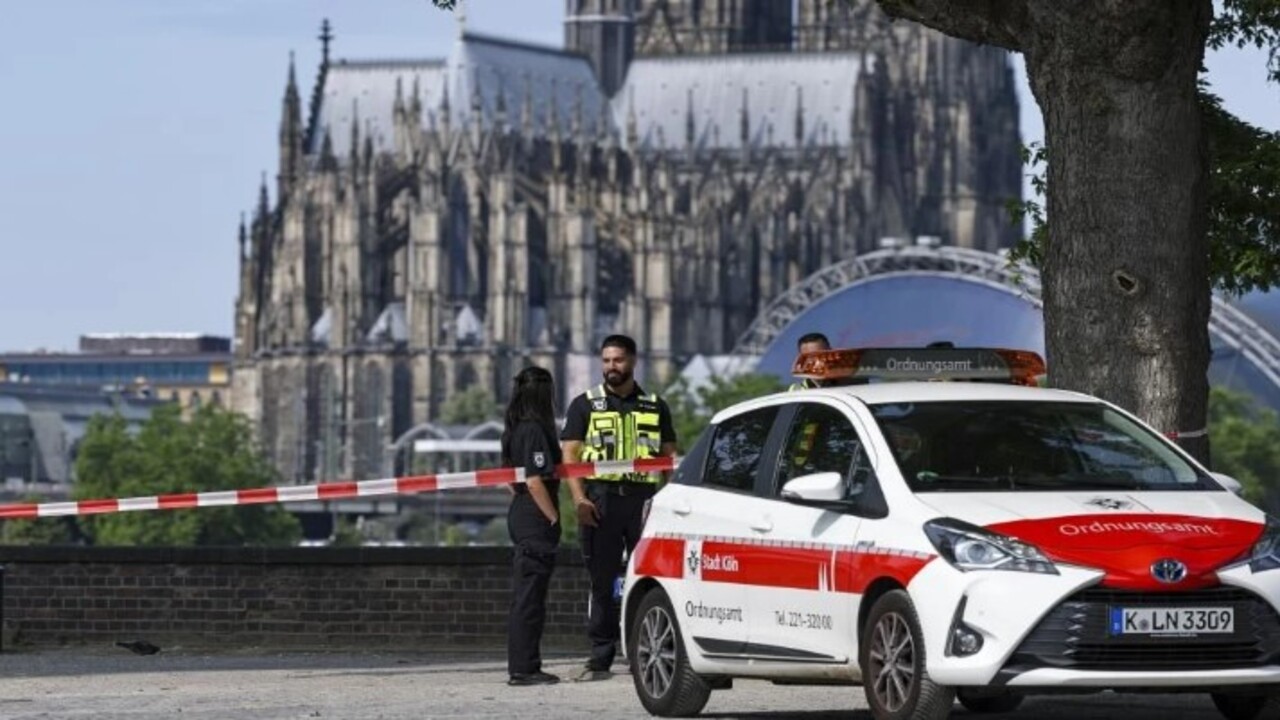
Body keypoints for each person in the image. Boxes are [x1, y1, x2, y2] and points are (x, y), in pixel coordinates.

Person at [561, 334, 677, 682]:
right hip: (601, 500)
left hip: (643, 501)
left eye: (618, 360)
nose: (612, 367)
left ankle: (644, 650)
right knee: (602, 580)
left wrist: (668, 501)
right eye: (607, 360)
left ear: (633, 361)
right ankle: (600, 657)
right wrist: (580, 499)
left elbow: (669, 458)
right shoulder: (584, 404)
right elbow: (570, 456)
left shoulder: (656, 406)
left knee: (650, 578)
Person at [502, 366, 563, 687]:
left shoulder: (512, 429)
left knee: (525, 595)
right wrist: (552, 516)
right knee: (529, 598)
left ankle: (525, 664)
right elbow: (534, 479)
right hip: (535, 519)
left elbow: (510, 482)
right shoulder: (535, 430)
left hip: (520, 511)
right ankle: (525, 668)